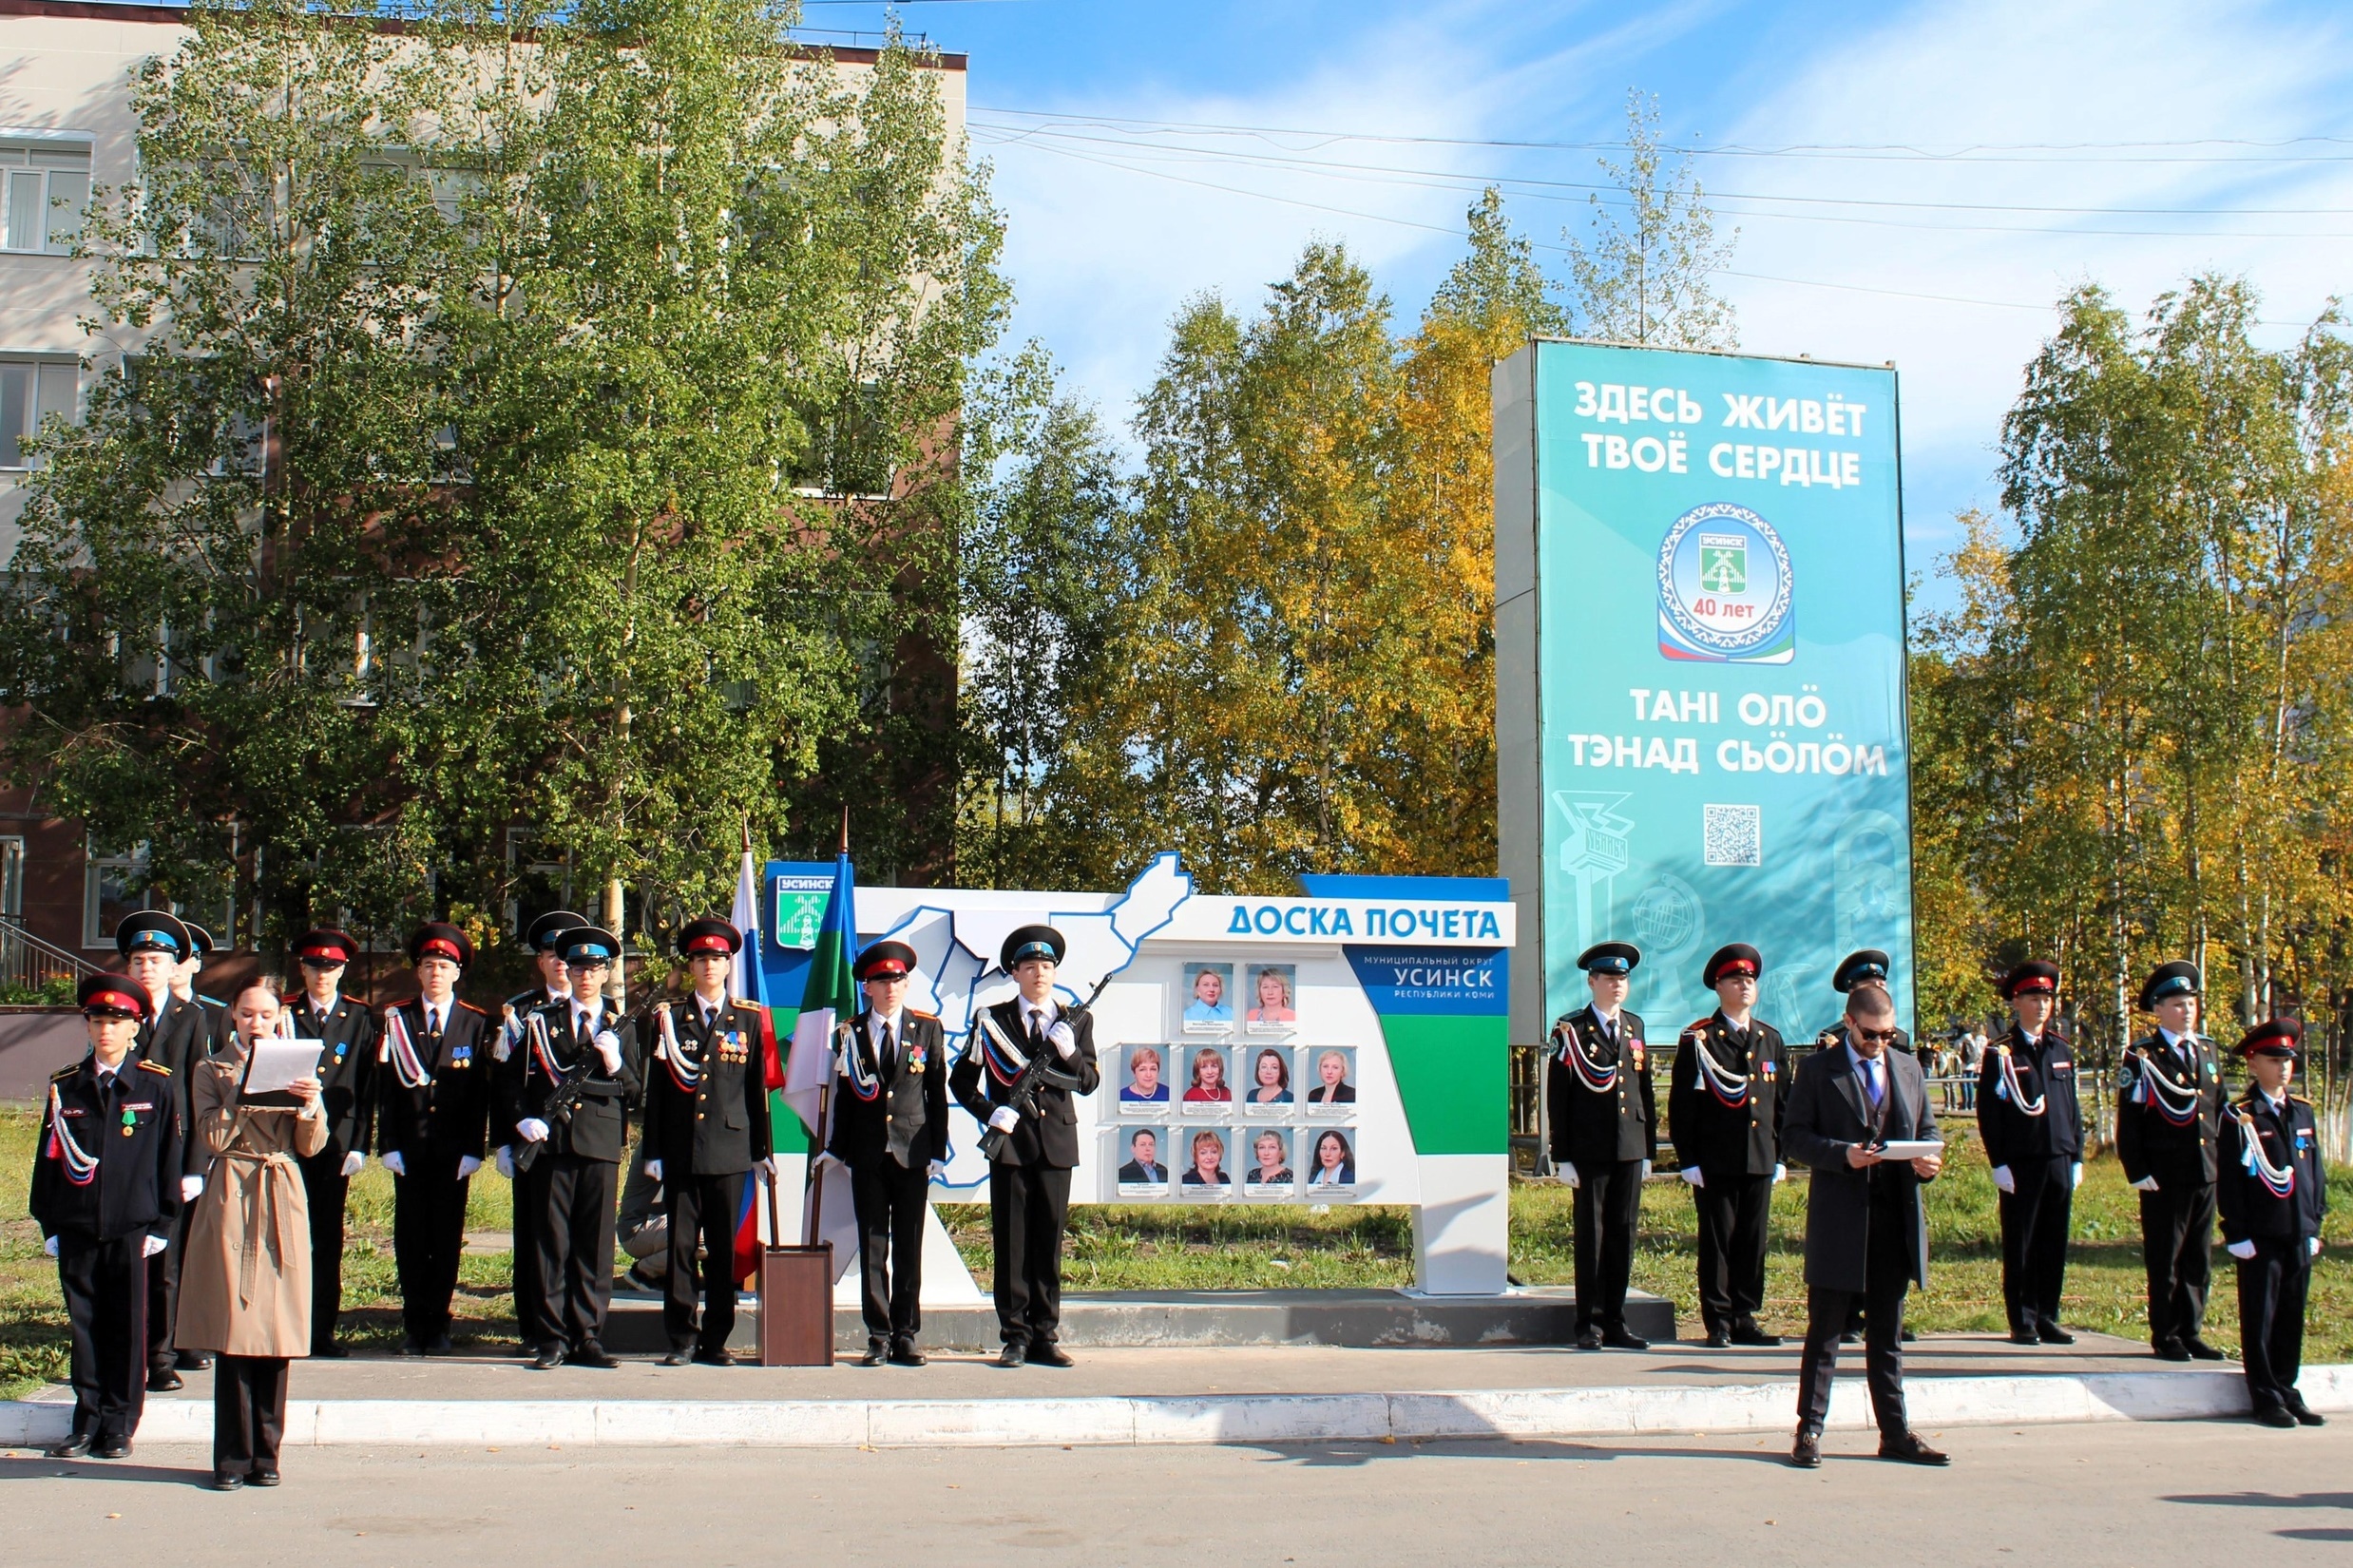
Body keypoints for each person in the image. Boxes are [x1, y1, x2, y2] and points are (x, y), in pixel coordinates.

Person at [1783, 983, 1949, 1469]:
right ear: (1850, 1023)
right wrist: (1842, 1156)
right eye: (1872, 1034)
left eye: (1888, 1034)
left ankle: (1894, 1432)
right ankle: (1809, 1429)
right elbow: (1793, 1136)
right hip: (1841, 1217)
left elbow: (1928, 1130)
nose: (1880, 1043)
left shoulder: (1908, 1066)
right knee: (1827, 1331)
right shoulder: (1817, 1071)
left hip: (1894, 1216)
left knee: (1887, 1333)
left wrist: (1928, 1159)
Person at [176, 976, 327, 1490]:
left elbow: (311, 1145)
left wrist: (310, 1104)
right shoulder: (210, 1068)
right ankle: (232, 1459)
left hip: (281, 1188)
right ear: (233, 1017)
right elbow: (213, 1136)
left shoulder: (298, 1063)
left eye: (265, 1015)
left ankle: (268, 1454)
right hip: (233, 1193)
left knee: (277, 1330)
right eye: (246, 1014)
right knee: (235, 1331)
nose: (256, 1023)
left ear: (278, 1017)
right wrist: (247, 1089)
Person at [30, 973, 182, 1461]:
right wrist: (49, 1224)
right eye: (97, 1020)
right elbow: (48, 1159)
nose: (106, 1030)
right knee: (85, 1324)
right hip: (77, 1226)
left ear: (135, 1028)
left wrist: (162, 1223)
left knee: (127, 1325)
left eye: (117, 1021)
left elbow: (168, 1160)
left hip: (132, 1228)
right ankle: (87, 1418)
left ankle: (120, 1421)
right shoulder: (66, 1087)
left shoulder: (154, 1085)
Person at [949, 924, 1100, 1368]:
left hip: (1055, 1143)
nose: (1040, 974)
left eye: (1047, 966)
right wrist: (988, 1111)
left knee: (1048, 1241)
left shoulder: (1076, 1020)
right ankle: (1014, 1335)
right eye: (1030, 966)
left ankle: (1045, 1335)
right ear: (1014, 973)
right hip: (1012, 1144)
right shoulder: (992, 1021)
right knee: (1012, 1241)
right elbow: (961, 1081)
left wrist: (1071, 1053)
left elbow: (1089, 1081)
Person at [641, 917, 776, 1368]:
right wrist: (653, 1151)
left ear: (728, 964)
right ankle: (680, 1337)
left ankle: (716, 1339)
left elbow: (757, 1091)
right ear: (692, 965)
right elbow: (656, 1093)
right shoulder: (669, 1018)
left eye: (717, 959)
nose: (709, 966)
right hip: (680, 1152)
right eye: (701, 959)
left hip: (730, 1151)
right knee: (681, 1249)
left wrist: (762, 1153)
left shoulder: (750, 1019)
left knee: (723, 1250)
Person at [517, 924, 641, 1369]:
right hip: (552, 1146)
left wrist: (616, 1062)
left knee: (594, 1246)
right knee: (551, 1244)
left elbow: (637, 1092)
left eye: (595, 967)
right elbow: (518, 1084)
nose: (586, 975)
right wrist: (523, 1120)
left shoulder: (620, 1025)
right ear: (565, 970)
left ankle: (588, 1336)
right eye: (578, 967)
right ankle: (551, 1339)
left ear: (606, 973)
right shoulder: (541, 1022)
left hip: (601, 1145)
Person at [819, 938, 945, 1368]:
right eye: (881, 980)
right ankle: (877, 1335)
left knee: (909, 1247)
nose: (890, 987)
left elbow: (936, 1095)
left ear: (906, 984)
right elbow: (845, 1099)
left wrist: (939, 1151)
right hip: (868, 1155)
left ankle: (906, 1333)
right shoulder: (849, 1033)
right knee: (874, 1247)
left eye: (897, 979)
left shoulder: (926, 1028)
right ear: (866, 987)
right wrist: (836, 1148)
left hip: (912, 1153)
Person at [374, 922, 493, 1357]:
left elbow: (480, 1092)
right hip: (408, 1150)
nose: (436, 973)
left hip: (451, 1152)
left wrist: (474, 1150)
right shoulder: (396, 1019)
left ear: (457, 973)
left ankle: (439, 1324)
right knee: (409, 1238)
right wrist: (386, 1143)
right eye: (429, 965)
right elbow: (385, 1090)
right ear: (418, 972)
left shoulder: (475, 1022)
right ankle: (413, 1324)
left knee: (445, 1239)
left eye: (445, 966)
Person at [1669, 943, 1789, 1348]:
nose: (1745, 985)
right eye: (1736, 979)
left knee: (1753, 1239)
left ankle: (1745, 1314)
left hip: (1759, 1155)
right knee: (1718, 1240)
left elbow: (1781, 1104)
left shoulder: (1769, 1039)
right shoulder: (1700, 1038)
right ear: (1718, 986)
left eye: (1750, 979)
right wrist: (1689, 1159)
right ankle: (1717, 1319)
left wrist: (1780, 1155)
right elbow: (1683, 1106)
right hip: (1715, 1159)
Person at [1544, 940, 1656, 1351]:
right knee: (1591, 1236)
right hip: (1589, 1149)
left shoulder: (1635, 1027)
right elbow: (1559, 1095)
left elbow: (1642, 1090)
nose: (1616, 985)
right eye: (1609, 978)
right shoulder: (1570, 1029)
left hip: (1629, 1146)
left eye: (1622, 979)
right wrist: (1563, 1156)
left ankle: (1615, 1319)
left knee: (1622, 1234)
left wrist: (1648, 1150)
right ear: (1592, 981)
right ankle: (1586, 1323)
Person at [117, 909, 210, 1390]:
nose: (146, 967)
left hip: (172, 1152)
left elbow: (198, 1091)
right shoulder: (116, 1015)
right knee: (130, 1258)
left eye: (155, 959)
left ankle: (162, 1356)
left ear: (174, 964)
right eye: (138, 960)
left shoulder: (190, 1016)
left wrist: (196, 1164)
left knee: (168, 1263)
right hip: (126, 1157)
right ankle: (131, 1351)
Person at [2219, 1019, 2328, 1428]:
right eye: (2273, 1059)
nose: (2283, 1068)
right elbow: (2230, 1178)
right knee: (2261, 1316)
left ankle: (2287, 1388)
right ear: (2253, 1063)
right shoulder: (2241, 1116)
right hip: (2261, 1233)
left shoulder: (2301, 1111)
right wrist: (2237, 1231)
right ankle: (2265, 1396)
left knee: (2291, 1315)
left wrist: (2315, 1223)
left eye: (2288, 1060)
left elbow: (2314, 1172)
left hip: (2298, 1230)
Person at [2117, 960, 2227, 1362]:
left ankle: (2191, 1329)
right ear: (2158, 1009)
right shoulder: (2144, 1056)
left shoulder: (2208, 1050)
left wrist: (2224, 1165)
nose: (2187, 1011)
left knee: (2199, 1257)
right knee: (2166, 1257)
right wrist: (2138, 1169)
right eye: (2178, 1004)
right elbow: (2130, 1120)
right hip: (2165, 1173)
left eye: (2191, 1003)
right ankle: (2166, 1334)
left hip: (2205, 1169)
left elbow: (2220, 1113)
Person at [1977, 960, 2084, 1346]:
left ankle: (2048, 1315)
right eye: (2034, 998)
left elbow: (2072, 1108)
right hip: (2022, 1161)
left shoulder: (2061, 1048)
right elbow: (1989, 1112)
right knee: (2021, 1242)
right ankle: (2022, 1318)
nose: (2042, 1006)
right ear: (2016, 1002)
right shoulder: (2001, 1053)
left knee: (2054, 1240)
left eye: (2047, 999)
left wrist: (2078, 1156)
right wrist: (1998, 1162)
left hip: (2058, 1156)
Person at [284, 927, 376, 1359]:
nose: (323, 975)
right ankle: (287, 1325)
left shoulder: (359, 1017)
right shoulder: (285, 1014)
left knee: (326, 1236)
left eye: (332, 967)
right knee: (286, 1237)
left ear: (343, 971)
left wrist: (360, 1143)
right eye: (315, 966)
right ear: (302, 969)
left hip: (334, 1143)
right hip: (287, 1142)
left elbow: (364, 1084)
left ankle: (322, 1328)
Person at [494, 909, 585, 1339]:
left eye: (567, 954)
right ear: (541, 962)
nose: (561, 962)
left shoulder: (602, 1010)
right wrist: (506, 1138)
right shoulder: (520, 1012)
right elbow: (505, 1082)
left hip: (580, 1140)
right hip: (533, 1139)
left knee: (576, 1238)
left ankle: (574, 1324)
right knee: (532, 1236)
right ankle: (534, 1328)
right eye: (552, 954)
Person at [1816, 951, 1913, 1058]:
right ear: (1853, 993)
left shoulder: (1901, 1038)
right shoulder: (1834, 1036)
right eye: (1870, 986)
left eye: (1881, 985)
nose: (1879, 990)